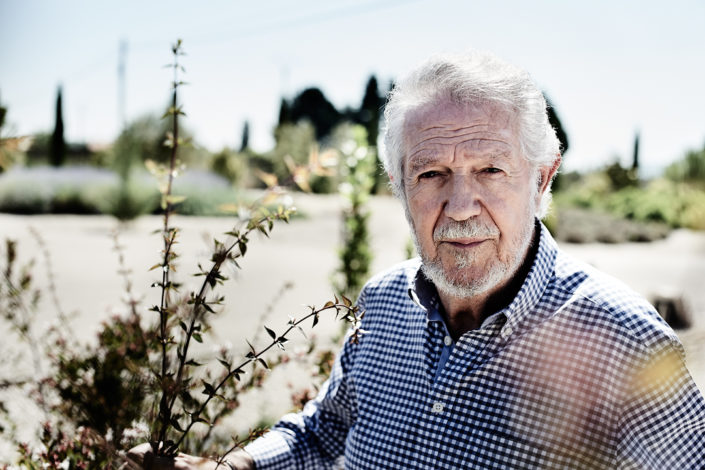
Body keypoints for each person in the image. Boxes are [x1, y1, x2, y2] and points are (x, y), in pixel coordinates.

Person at [128, 50, 705, 469]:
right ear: (399, 187)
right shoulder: (381, 304)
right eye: (431, 175)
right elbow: (326, 431)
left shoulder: (625, 341)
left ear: (542, 178)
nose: (459, 207)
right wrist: (234, 468)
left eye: (490, 171)